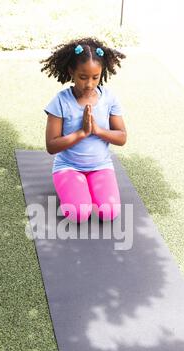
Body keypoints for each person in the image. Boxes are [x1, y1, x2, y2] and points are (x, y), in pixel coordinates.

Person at [40, 37, 127, 223]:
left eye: (95, 77)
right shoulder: (61, 101)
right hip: (69, 167)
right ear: (71, 72)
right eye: (83, 77)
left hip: (100, 166)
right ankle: (72, 188)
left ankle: (87, 188)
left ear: (102, 73)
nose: (89, 84)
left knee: (109, 213)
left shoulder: (109, 98)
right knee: (78, 214)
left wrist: (97, 130)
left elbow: (121, 137)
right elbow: (51, 146)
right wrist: (82, 132)